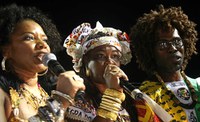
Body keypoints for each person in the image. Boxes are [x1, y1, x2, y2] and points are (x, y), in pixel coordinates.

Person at [0, 3, 85, 121]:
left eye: (45, 39)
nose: (43, 44)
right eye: (28, 37)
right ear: (6, 50)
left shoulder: (48, 92)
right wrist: (59, 101)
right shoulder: (3, 93)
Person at [129, 4, 200, 122]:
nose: (172, 48)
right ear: (150, 51)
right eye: (163, 44)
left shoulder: (198, 84)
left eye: (177, 41)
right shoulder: (146, 95)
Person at [63, 21, 138, 122]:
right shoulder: (75, 100)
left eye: (115, 56)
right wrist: (113, 95)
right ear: (85, 62)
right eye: (100, 56)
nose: (110, 62)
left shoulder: (125, 102)